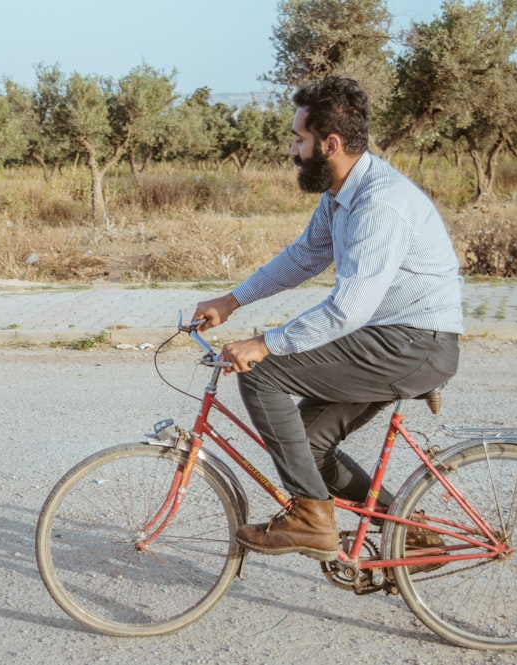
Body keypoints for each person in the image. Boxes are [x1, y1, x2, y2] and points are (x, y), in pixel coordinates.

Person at [192, 77, 463, 562]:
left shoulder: (378, 204)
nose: (293, 151)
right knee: (310, 447)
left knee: (261, 375)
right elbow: (304, 257)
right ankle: (408, 531)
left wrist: (266, 343)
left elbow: (349, 309)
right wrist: (233, 300)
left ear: (329, 144)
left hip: (414, 343)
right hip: (392, 339)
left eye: (299, 140)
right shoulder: (342, 193)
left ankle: (311, 519)